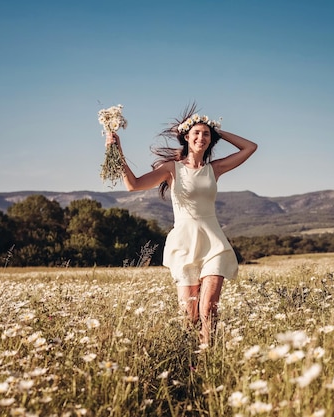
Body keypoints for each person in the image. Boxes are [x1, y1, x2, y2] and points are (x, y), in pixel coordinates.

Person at [105, 104, 257, 345]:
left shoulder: (214, 169)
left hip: (213, 243)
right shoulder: (171, 170)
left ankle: (208, 356)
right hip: (184, 244)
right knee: (191, 316)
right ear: (186, 137)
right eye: (196, 133)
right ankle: (191, 358)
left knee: (208, 308)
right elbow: (133, 185)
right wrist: (117, 151)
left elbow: (250, 147)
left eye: (206, 134)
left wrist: (218, 130)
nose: (201, 137)